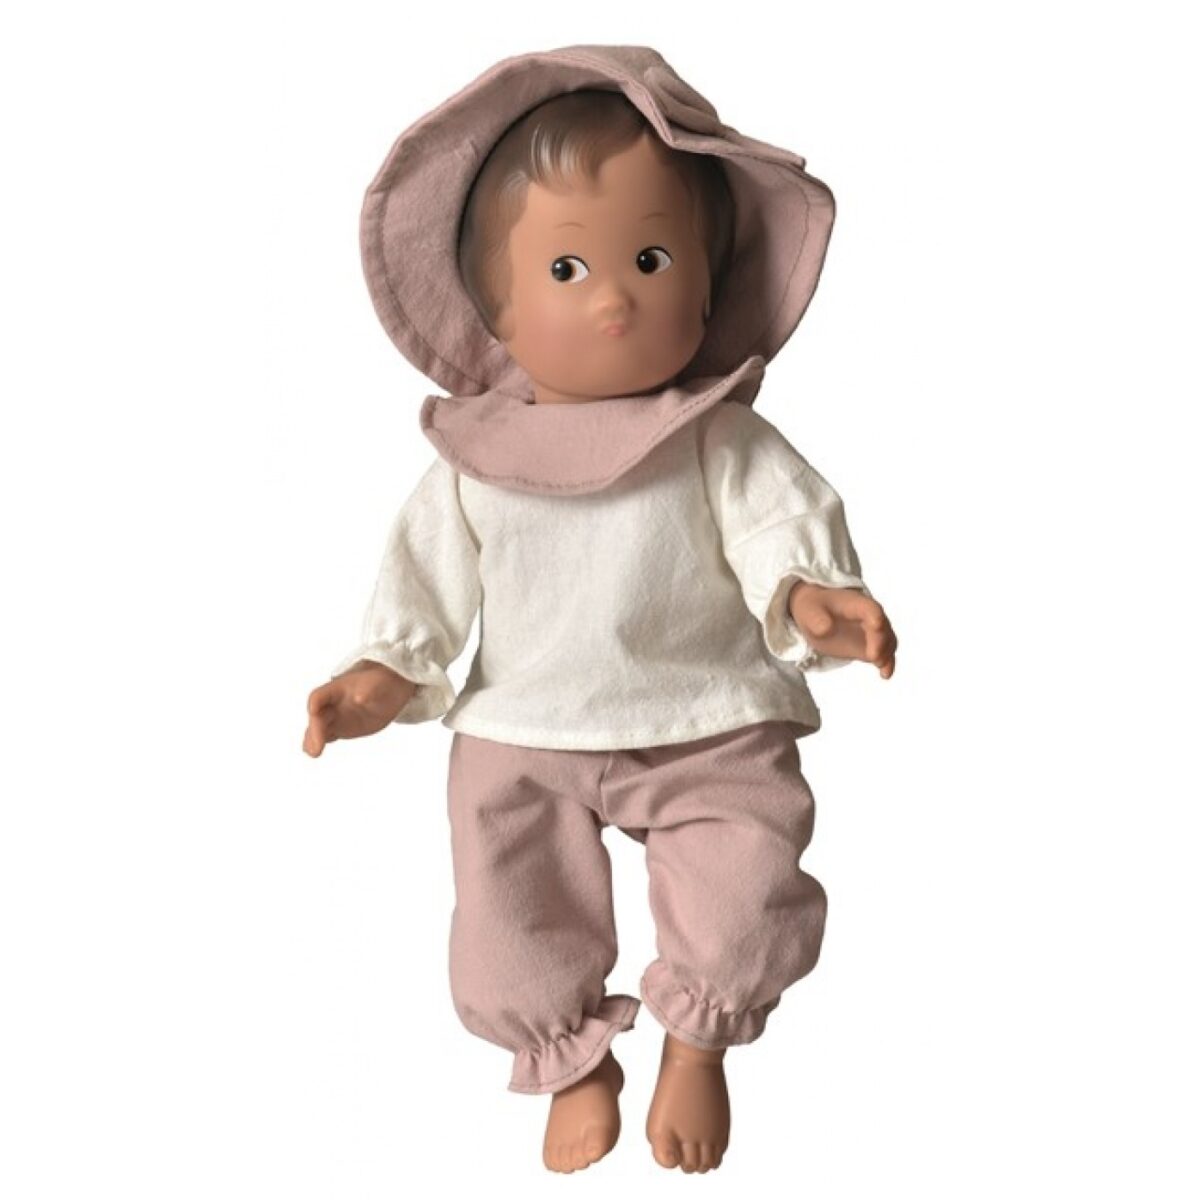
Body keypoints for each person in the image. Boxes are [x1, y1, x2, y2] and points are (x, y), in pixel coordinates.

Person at [303, 46, 897, 1175]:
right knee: (506, 907)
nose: (616, 296)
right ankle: (570, 1061)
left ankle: (699, 1039)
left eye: (652, 258)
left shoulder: (719, 437)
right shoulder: (477, 461)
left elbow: (779, 532)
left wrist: (816, 599)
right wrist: (381, 675)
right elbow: (424, 586)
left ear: (710, 290)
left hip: (709, 714)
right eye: (567, 268)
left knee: (748, 880)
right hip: (525, 726)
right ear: (497, 312)